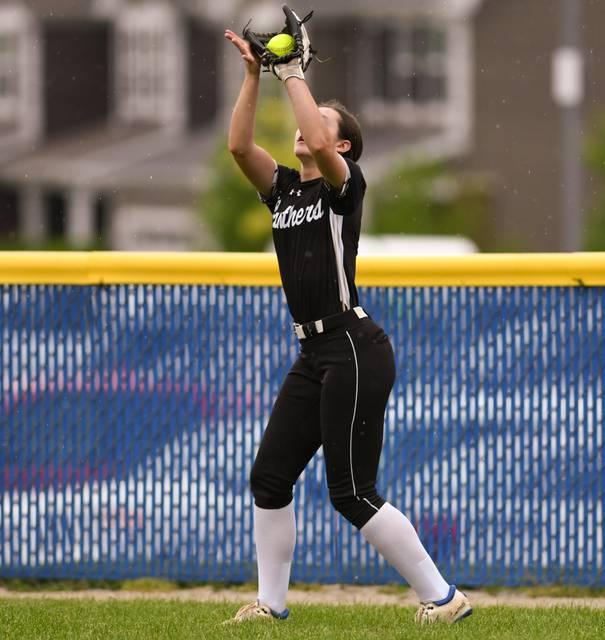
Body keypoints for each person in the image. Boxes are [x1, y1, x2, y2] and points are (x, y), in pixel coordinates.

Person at [221, 7, 472, 626]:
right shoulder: (283, 188)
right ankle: (270, 606)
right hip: (313, 353)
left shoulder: (344, 184)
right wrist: (256, 75)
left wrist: (295, 74)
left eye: (321, 125)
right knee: (269, 478)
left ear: (342, 145)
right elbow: (237, 146)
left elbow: (318, 132)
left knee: (351, 492)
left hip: (354, 345)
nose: (304, 130)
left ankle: (443, 600)